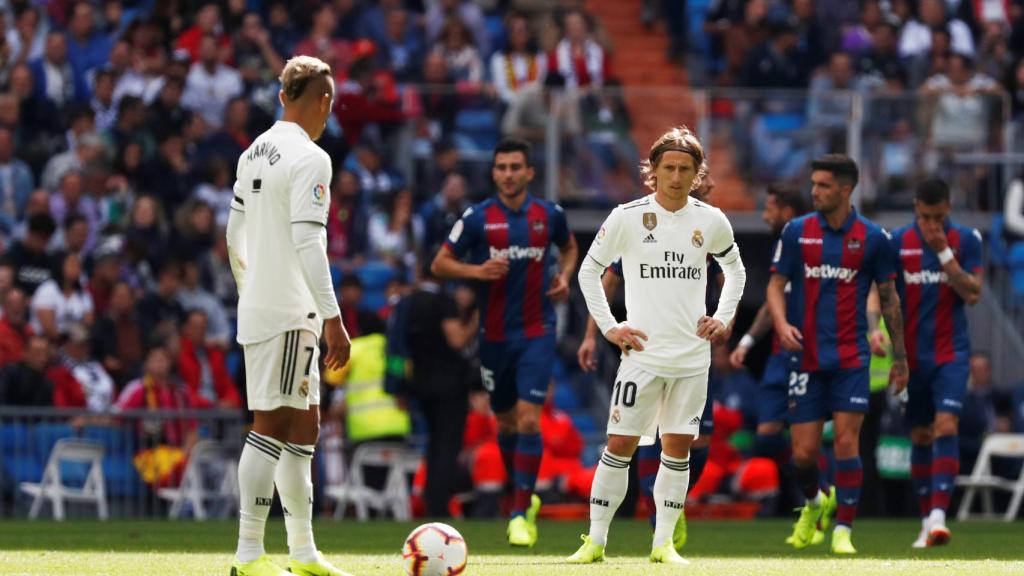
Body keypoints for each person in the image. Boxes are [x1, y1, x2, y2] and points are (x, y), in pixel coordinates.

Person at [570, 126, 745, 565]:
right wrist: (610, 328)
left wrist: (722, 319)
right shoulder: (627, 216)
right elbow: (588, 273)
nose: (676, 175)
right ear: (652, 170)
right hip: (642, 357)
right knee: (619, 445)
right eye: (668, 167)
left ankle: (662, 544)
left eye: (685, 168)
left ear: (697, 173)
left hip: (691, 358)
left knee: (678, 447)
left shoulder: (712, 220)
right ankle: (595, 542)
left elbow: (737, 273)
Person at [225, 55, 352, 576]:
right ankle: (249, 554)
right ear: (323, 102)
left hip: (263, 302)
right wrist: (333, 316)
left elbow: (234, 236)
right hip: (288, 311)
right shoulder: (312, 157)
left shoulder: (251, 153)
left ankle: (303, 553)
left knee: (305, 427)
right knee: (273, 423)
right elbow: (308, 239)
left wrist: (250, 287)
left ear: (283, 96)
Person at [431, 137, 578, 547]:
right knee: (507, 422)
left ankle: (519, 510)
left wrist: (564, 277)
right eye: (502, 168)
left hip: (537, 332)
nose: (509, 174)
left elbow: (569, 248)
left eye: (516, 167)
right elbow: (439, 264)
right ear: (494, 173)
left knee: (530, 418)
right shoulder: (477, 218)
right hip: (493, 338)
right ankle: (521, 496)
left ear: (529, 172)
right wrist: (478, 271)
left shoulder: (549, 215)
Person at [767, 154, 909, 555]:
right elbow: (776, 286)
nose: (814, 191)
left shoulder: (874, 238)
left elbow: (889, 298)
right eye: (813, 183)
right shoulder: (796, 232)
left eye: (823, 185)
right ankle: (816, 503)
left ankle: (844, 529)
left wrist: (900, 356)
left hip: (851, 358)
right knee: (804, 455)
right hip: (805, 357)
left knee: (847, 444)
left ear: (846, 190)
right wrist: (780, 323)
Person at [888, 178, 983, 548]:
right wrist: (878, 333)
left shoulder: (966, 240)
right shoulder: (897, 242)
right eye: (926, 217)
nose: (932, 225)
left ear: (949, 209)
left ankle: (941, 516)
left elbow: (973, 294)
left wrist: (944, 254)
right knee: (921, 435)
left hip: (951, 354)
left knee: (946, 425)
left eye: (939, 217)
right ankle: (927, 520)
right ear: (916, 208)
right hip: (912, 358)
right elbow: (884, 291)